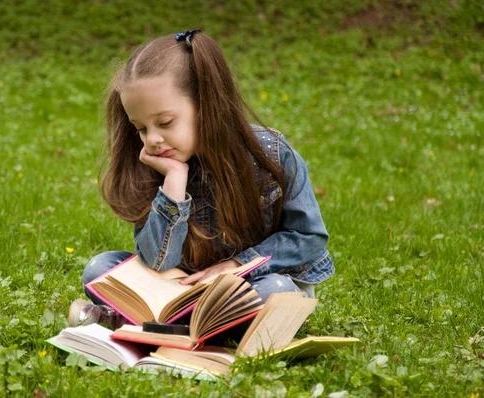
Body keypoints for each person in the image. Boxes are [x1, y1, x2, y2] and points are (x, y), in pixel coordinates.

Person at [68, 30, 334, 330]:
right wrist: (174, 184)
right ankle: (195, 327)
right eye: (141, 128)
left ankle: (150, 325)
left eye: (165, 123)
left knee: (279, 292)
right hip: (184, 288)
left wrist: (238, 266)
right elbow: (158, 263)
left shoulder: (270, 154)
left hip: (253, 285)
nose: (152, 139)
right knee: (100, 269)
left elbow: (309, 237)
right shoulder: (154, 165)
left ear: (206, 106)